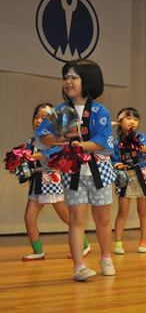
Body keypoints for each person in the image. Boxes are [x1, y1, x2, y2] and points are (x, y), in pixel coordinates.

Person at [36, 59, 116, 281]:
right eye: (66, 78)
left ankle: (106, 257)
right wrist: (61, 138)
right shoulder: (62, 111)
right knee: (77, 219)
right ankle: (79, 265)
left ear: (88, 80)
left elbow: (103, 142)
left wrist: (78, 144)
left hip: (99, 171)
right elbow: (43, 138)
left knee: (103, 219)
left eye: (74, 77)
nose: (68, 82)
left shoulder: (100, 110)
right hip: (73, 172)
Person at [23, 103, 91, 260]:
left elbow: (51, 156)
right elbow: (28, 159)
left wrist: (32, 157)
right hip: (37, 181)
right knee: (29, 218)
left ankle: (85, 246)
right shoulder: (31, 141)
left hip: (52, 181)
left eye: (44, 117)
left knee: (67, 218)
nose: (39, 120)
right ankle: (37, 251)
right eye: (36, 117)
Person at [111, 107, 146, 254]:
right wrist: (116, 165)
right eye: (128, 118)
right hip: (124, 175)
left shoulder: (141, 137)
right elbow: (112, 159)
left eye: (136, 119)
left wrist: (134, 143)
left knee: (142, 211)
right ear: (119, 122)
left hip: (141, 174)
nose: (132, 122)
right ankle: (118, 243)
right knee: (122, 211)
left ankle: (143, 242)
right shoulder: (116, 142)